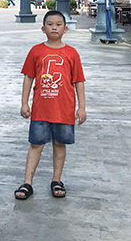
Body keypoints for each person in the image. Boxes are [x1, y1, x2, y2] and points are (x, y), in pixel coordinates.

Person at [14, 10, 86, 200]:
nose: (54, 27)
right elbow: (28, 78)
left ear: (65, 29)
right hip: (40, 110)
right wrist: (24, 103)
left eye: (58, 24)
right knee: (36, 145)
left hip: (64, 110)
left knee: (59, 144)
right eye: (50, 24)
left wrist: (82, 107)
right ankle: (27, 182)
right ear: (43, 28)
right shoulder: (36, 51)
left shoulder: (72, 53)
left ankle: (57, 180)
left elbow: (78, 81)